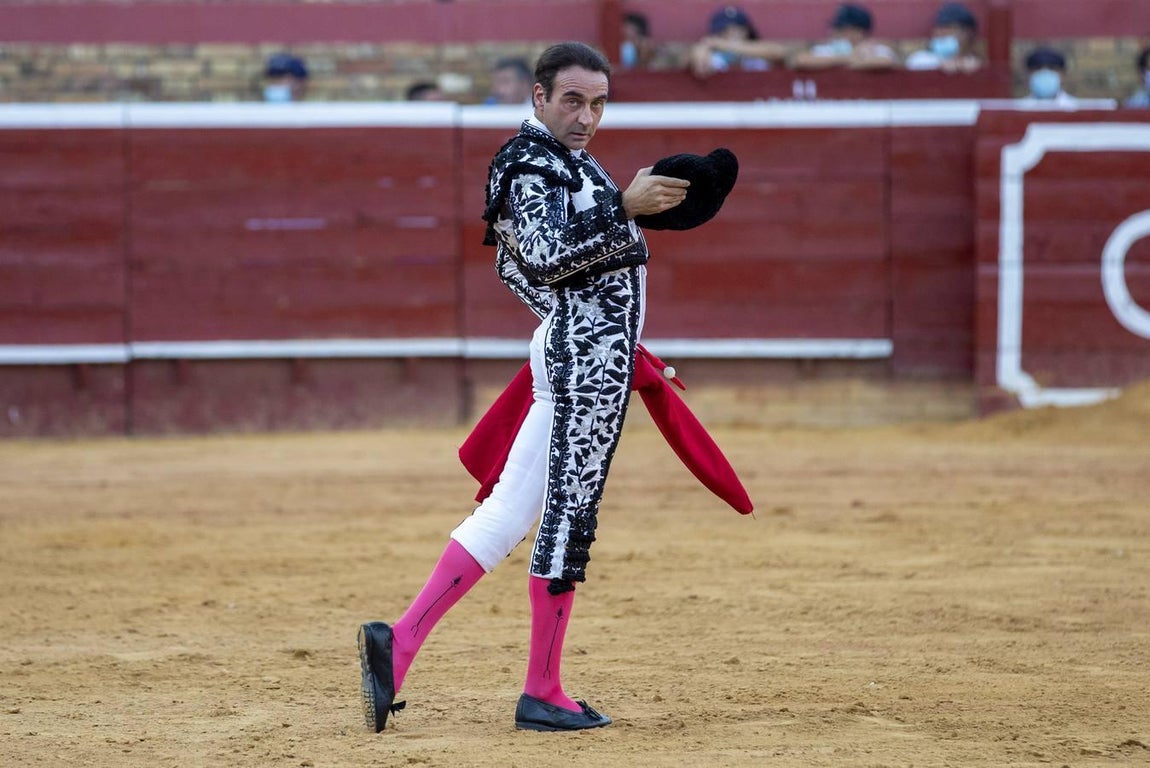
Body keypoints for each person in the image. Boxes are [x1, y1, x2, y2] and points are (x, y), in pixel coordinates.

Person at [358, 41, 695, 733]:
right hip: (583, 361)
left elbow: (529, 271)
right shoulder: (531, 162)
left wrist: (605, 327)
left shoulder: (565, 163)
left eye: (598, 103)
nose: (587, 116)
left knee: (511, 513)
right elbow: (539, 260)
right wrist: (622, 212)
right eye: (573, 100)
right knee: (568, 514)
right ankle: (543, 688)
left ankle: (400, 644)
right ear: (538, 97)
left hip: (583, 350)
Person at [790, 3, 898, 71]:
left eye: (842, 29)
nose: (835, 32)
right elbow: (800, 60)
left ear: (858, 32)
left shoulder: (874, 48)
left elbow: (886, 61)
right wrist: (846, 59)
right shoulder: (832, 48)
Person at [689, 5, 786, 78]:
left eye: (735, 30)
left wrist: (728, 45)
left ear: (746, 31)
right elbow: (696, 60)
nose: (729, 35)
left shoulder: (760, 52)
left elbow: (778, 52)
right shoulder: (714, 56)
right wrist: (703, 48)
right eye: (723, 31)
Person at [905, 2, 982, 74]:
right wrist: (940, 65)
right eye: (939, 30)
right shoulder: (921, 59)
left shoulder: (974, 62)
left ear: (968, 34)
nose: (942, 35)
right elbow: (916, 64)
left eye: (950, 29)